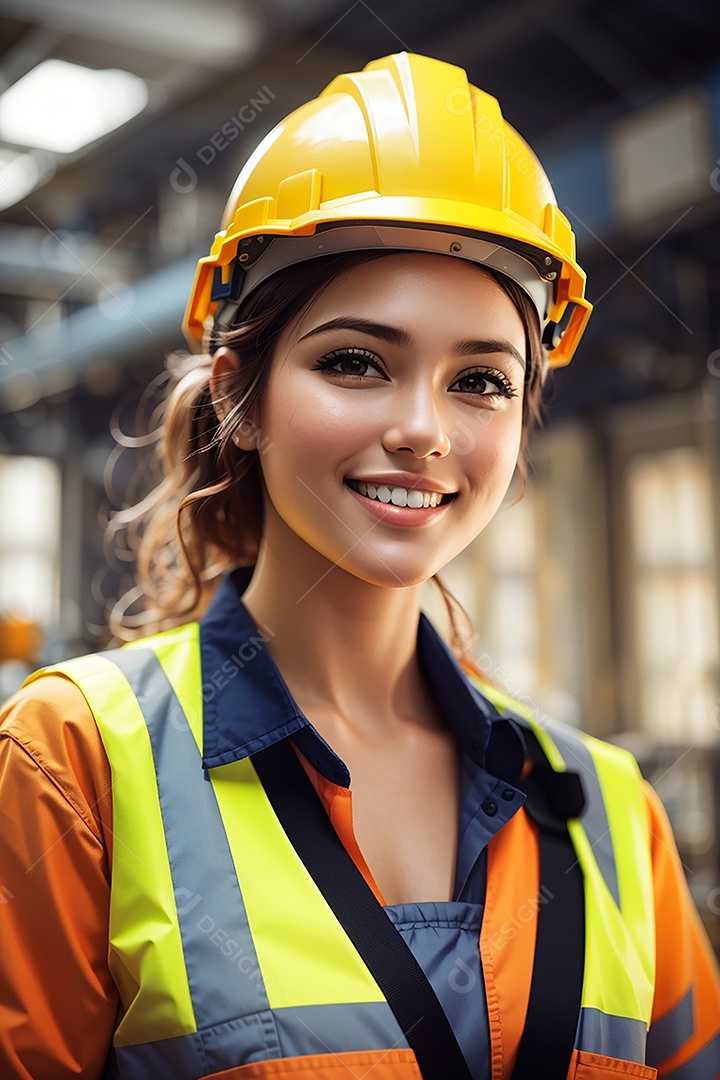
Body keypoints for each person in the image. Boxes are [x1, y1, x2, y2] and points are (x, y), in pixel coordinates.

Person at [0, 51, 718, 1080]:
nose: (424, 430)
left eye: (480, 381)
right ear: (240, 396)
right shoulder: (74, 764)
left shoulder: (609, 811)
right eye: (356, 362)